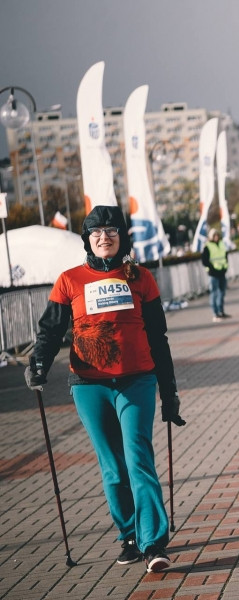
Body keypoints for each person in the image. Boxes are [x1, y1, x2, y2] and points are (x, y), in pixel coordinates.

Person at [24, 205, 186, 573]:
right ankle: (128, 533)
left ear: (122, 237)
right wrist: (38, 365)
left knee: (138, 459)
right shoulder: (69, 280)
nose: (104, 237)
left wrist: (169, 391)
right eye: (95, 232)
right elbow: (50, 332)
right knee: (113, 468)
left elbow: (158, 338)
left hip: (137, 381)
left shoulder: (141, 277)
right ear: (87, 239)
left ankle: (153, 543)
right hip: (89, 385)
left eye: (111, 230)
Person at [201, 227, 229, 321]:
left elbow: (225, 256)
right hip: (213, 273)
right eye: (214, 235)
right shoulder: (207, 246)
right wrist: (211, 268)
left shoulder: (221, 244)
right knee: (214, 293)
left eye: (217, 235)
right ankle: (215, 314)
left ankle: (221, 311)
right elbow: (204, 261)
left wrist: (225, 267)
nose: (216, 237)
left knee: (222, 292)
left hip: (222, 271)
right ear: (211, 237)